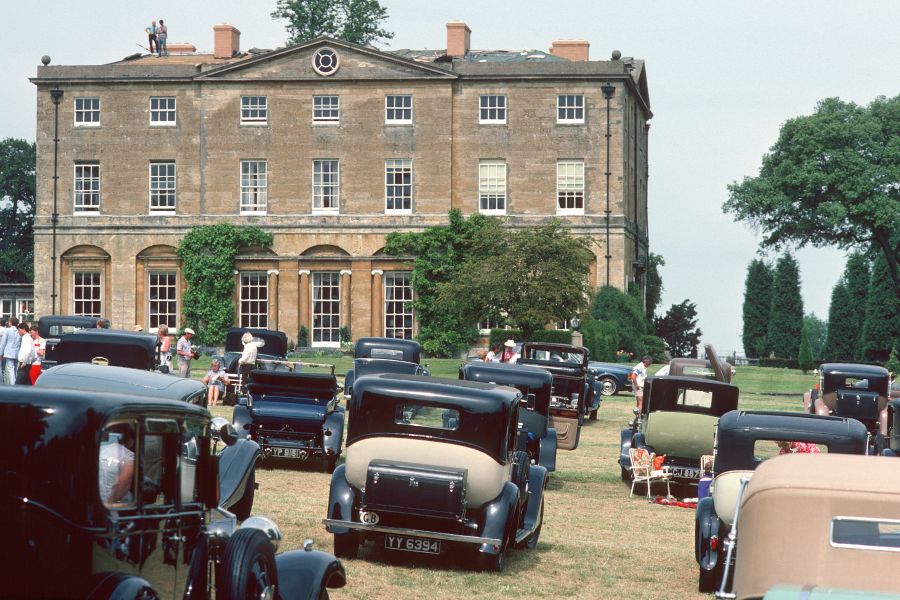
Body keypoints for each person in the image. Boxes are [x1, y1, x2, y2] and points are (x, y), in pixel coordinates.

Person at [99, 424, 135, 505]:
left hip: (96, 501)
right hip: (111, 505)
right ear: (130, 439)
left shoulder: (99, 450)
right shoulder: (128, 455)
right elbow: (125, 480)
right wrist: (111, 502)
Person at [2, 317, 20, 384]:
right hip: (17, 352)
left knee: (10, 370)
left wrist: (1, 353)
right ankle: (15, 383)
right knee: (15, 370)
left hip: (9, 352)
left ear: (11, 322)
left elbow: (3, 343)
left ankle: (12, 384)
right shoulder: (19, 331)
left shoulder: (7, 330)